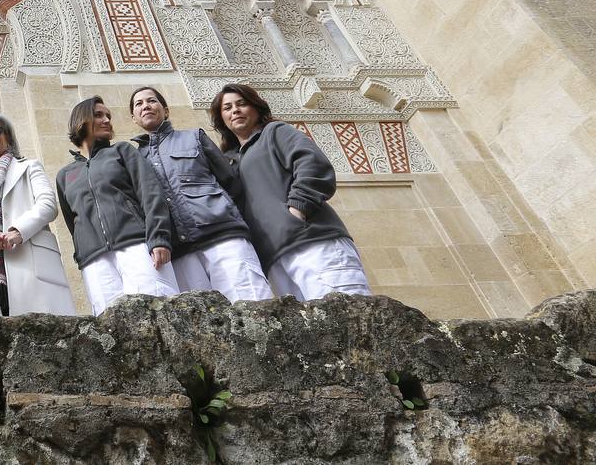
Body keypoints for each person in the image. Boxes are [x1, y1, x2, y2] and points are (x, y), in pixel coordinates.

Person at [209, 83, 371, 301]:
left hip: (313, 242)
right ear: (222, 120)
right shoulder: (231, 161)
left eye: (241, 104)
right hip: (275, 260)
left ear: (256, 108)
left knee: (351, 316)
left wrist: (297, 210)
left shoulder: (275, 132)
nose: (235, 110)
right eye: (227, 108)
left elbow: (312, 163)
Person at [127, 87, 272, 303]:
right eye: (139, 104)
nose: (146, 106)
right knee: (202, 326)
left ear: (165, 110)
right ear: (134, 118)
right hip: (181, 254)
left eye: (151, 101)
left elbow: (231, 182)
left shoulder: (195, 137)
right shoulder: (135, 160)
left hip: (224, 238)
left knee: (253, 304)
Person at [55, 96, 177, 315]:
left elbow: (150, 194)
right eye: (99, 115)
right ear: (80, 120)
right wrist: (84, 251)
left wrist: (159, 238)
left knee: (158, 313)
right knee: (109, 327)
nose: (107, 120)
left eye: (108, 116)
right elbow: (72, 221)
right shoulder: (65, 175)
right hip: (96, 261)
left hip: (138, 246)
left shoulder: (122, 151)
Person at [0, 111, 75, 316]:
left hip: (32, 265)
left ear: (8, 137)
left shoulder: (29, 167)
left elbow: (48, 204)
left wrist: (16, 232)